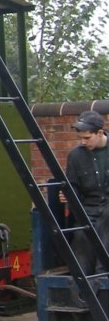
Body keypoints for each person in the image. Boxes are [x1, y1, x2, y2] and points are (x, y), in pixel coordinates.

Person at [65, 110, 109, 274]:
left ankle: (103, 275)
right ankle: (83, 282)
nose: (83, 142)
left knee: (106, 223)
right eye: (80, 138)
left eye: (87, 138)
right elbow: (72, 187)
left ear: (99, 133)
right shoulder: (75, 156)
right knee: (82, 234)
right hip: (89, 207)